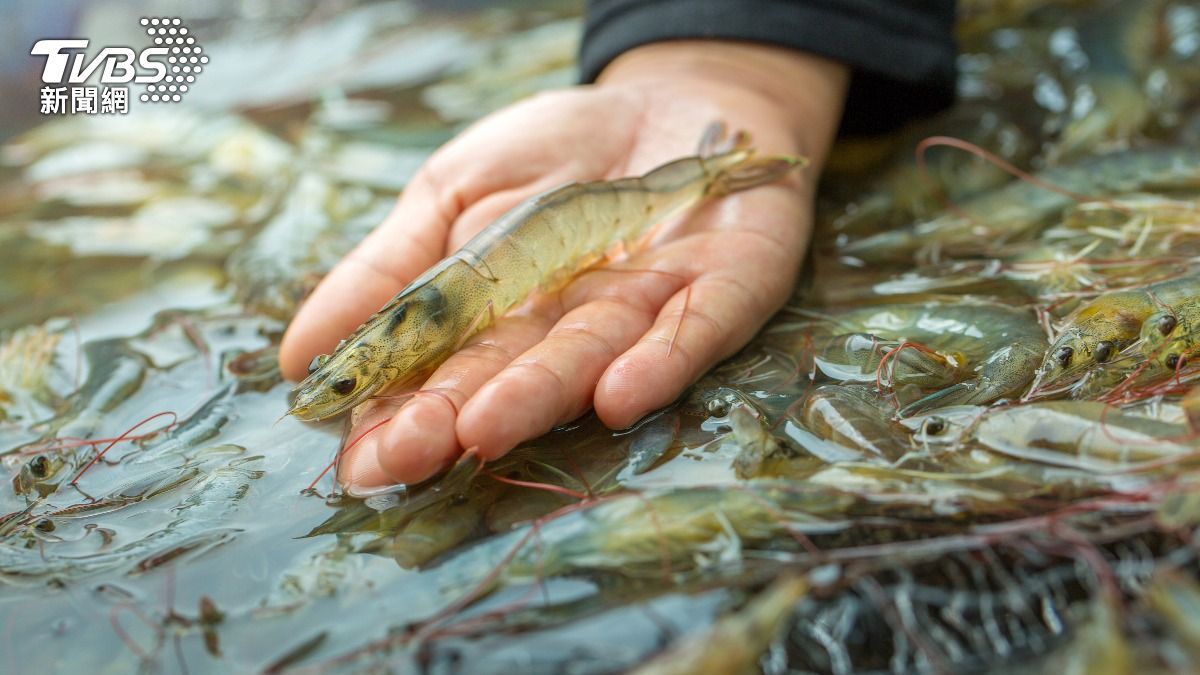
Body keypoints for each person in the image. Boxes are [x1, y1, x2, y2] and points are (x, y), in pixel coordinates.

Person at [278, 0, 957, 491]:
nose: (337, 390)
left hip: (605, 210)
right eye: (341, 378)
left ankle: (714, 166)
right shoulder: (415, 321)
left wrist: (748, 70)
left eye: (342, 380)